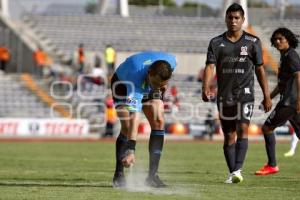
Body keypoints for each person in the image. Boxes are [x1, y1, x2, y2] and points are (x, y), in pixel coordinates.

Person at [202, 3, 272, 184]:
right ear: (226, 19)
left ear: (242, 20)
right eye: (230, 17)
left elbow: (260, 69)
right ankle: (233, 172)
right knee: (229, 135)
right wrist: (206, 87)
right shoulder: (216, 42)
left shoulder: (253, 42)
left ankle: (237, 169)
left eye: (237, 18)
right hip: (224, 95)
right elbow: (210, 66)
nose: (233, 21)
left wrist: (267, 95)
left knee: (242, 128)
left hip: (245, 94)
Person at [111, 51, 176, 188]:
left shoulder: (171, 62)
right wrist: (131, 150)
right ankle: (119, 174)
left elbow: (161, 81)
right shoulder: (134, 79)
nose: (160, 87)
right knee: (128, 125)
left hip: (149, 81)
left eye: (163, 84)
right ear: (149, 73)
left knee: (159, 119)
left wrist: (162, 85)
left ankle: (152, 176)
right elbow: (135, 116)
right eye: (158, 83)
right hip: (123, 84)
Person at [255, 27, 300, 175]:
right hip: (291, 102)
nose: (277, 41)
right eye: (275, 39)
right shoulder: (285, 56)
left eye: (281, 39)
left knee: (267, 128)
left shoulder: (291, 56)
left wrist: (299, 101)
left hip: (290, 102)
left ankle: (272, 165)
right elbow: (282, 85)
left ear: (289, 40)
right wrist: (268, 98)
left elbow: (299, 77)